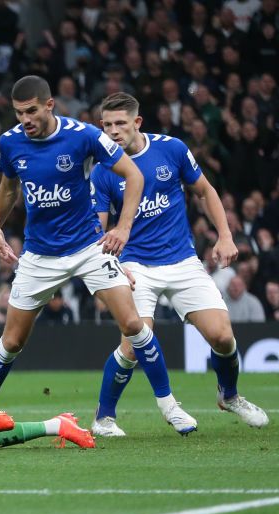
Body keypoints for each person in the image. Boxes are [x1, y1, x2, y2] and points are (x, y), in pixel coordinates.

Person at [0, 76, 197, 436]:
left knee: (133, 324)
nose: (25, 119)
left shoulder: (84, 135)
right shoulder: (10, 142)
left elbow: (134, 175)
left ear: (49, 105)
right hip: (40, 254)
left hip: (88, 247)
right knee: (12, 340)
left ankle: (169, 406)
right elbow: (8, 187)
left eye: (31, 111)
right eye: (18, 113)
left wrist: (123, 227)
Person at [91, 92, 269, 436]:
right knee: (132, 343)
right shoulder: (103, 171)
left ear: (137, 123)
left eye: (121, 124)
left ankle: (229, 395)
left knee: (222, 337)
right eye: (108, 125)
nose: (114, 131)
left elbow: (205, 190)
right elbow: (98, 229)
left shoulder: (170, 149)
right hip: (136, 265)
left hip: (182, 260)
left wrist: (225, 235)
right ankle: (103, 417)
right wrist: (113, 263)